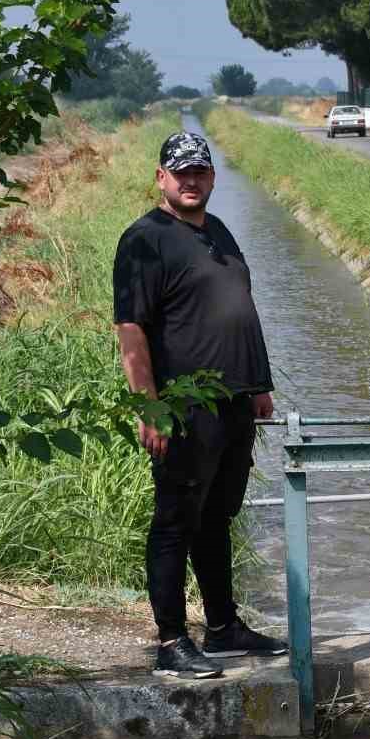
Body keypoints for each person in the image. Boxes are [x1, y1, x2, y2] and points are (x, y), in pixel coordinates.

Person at [114, 131, 286, 677]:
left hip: (234, 403)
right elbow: (131, 328)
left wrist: (257, 385)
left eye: (200, 172)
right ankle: (170, 642)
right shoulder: (145, 239)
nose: (191, 181)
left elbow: (239, 306)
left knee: (217, 518)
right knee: (175, 521)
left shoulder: (219, 231)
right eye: (180, 172)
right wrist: (150, 408)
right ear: (161, 177)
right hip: (185, 406)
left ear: (212, 177)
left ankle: (222, 628)